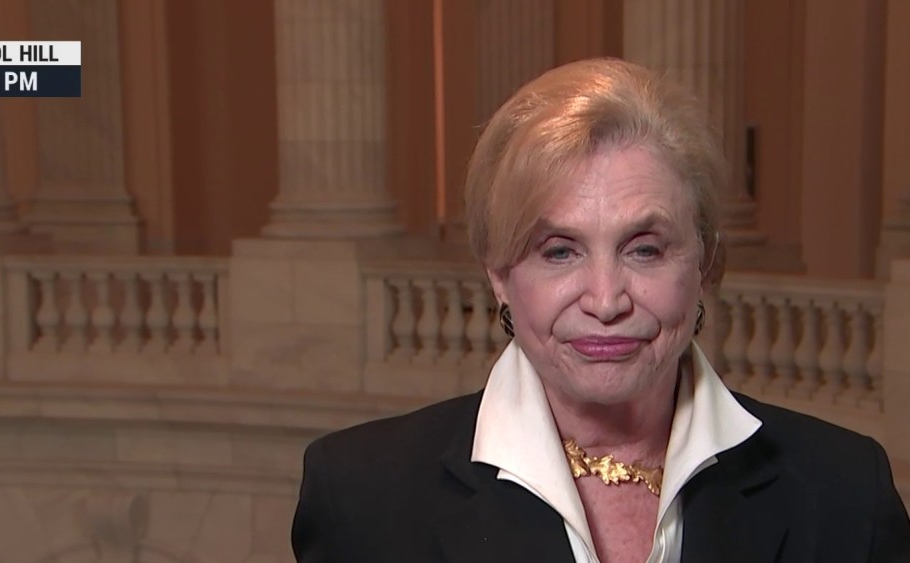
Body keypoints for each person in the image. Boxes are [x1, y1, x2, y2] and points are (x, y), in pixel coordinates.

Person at [291, 58, 910, 562]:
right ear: (499, 275)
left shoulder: (848, 494)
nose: (607, 300)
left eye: (645, 249)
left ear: (704, 262)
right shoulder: (360, 499)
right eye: (559, 251)